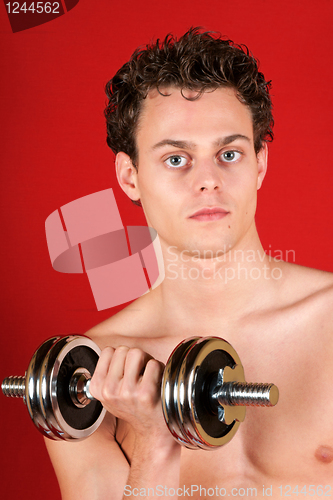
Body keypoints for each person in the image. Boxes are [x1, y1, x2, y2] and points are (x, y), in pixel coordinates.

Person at [45, 28, 333, 499]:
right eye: (177, 158)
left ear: (259, 163)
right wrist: (154, 445)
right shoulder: (91, 376)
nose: (208, 181)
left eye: (229, 154)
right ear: (130, 176)